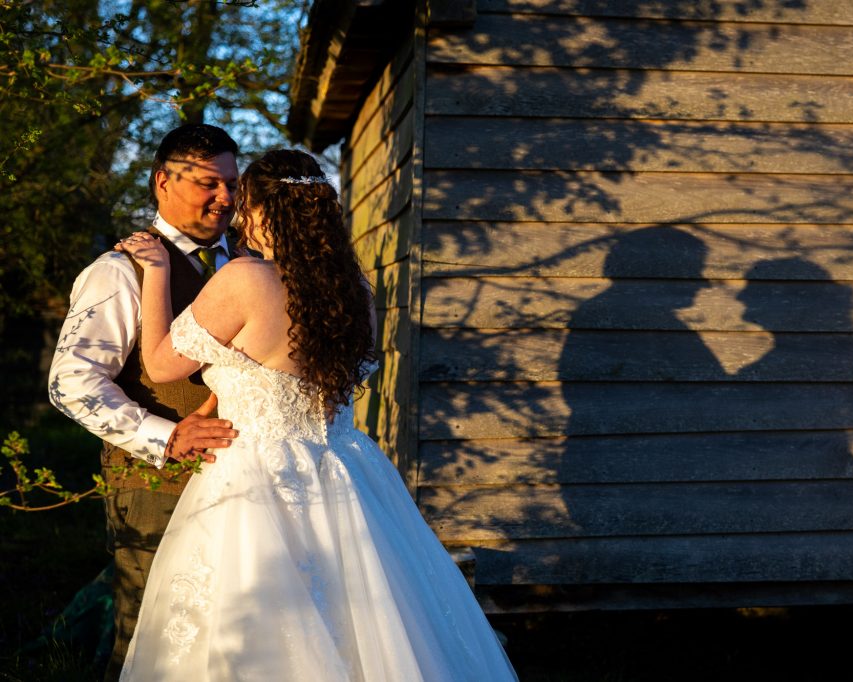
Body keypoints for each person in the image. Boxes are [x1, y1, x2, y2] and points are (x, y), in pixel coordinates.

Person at [115, 149, 518, 680]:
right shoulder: (355, 290)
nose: (237, 215)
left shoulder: (244, 279)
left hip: (257, 475)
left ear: (262, 211)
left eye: (245, 203)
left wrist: (157, 270)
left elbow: (161, 363)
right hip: (348, 469)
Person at [48, 123, 241, 680]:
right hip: (154, 487)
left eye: (231, 183)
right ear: (163, 182)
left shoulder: (249, 265)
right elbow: (72, 383)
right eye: (209, 183)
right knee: (149, 641)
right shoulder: (118, 272)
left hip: (248, 484)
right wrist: (166, 435)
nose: (225, 197)